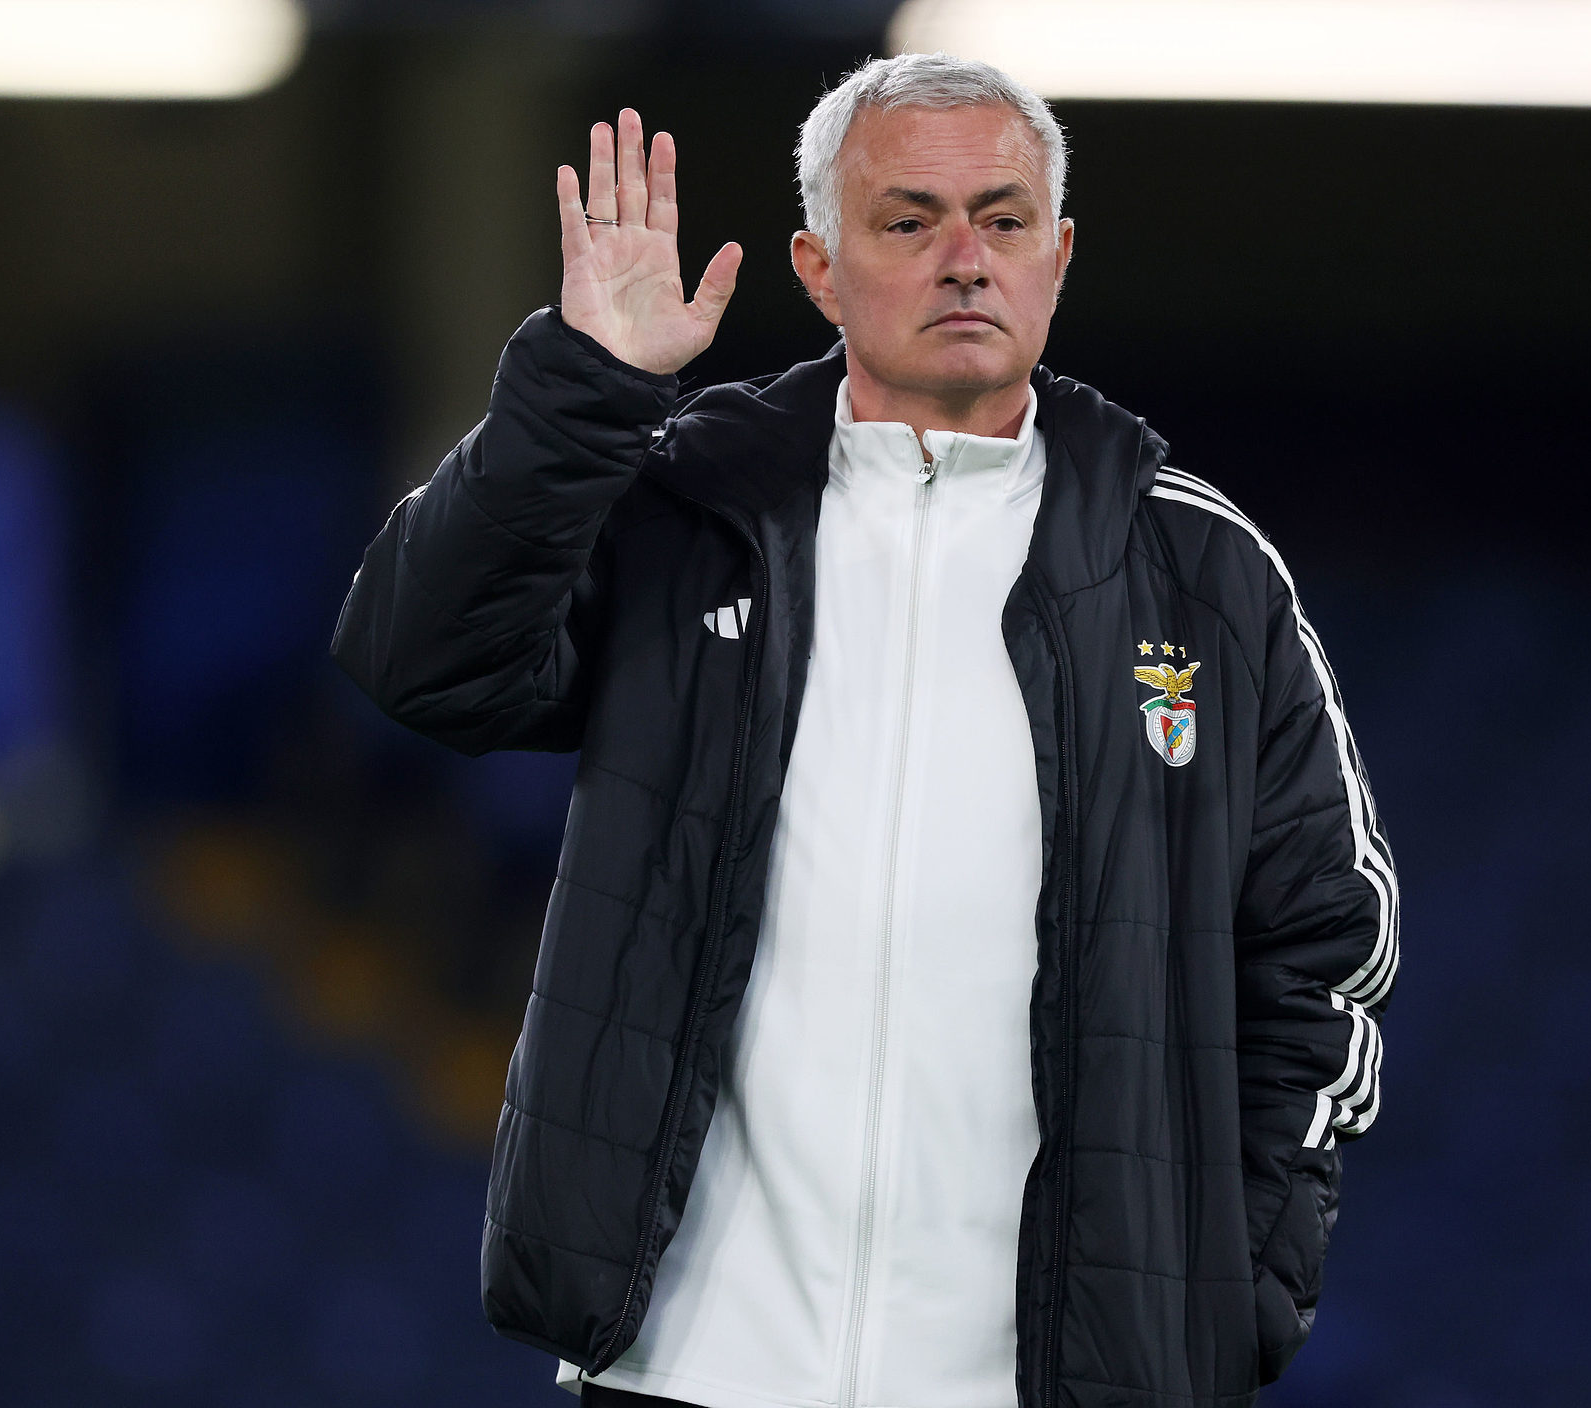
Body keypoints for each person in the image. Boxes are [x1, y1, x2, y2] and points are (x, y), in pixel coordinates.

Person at [331, 50, 1398, 1408]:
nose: (966, 260)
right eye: (909, 220)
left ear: (1057, 258)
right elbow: (419, 664)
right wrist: (588, 390)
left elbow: (1325, 935)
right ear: (820, 268)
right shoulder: (686, 509)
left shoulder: (1201, 573)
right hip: (686, 1368)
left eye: (1003, 221)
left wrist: (1231, 1283)